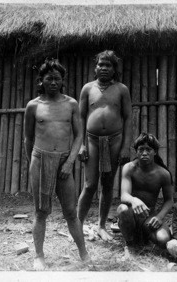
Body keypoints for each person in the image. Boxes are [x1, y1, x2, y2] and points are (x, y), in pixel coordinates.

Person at [24, 59, 90, 270]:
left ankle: (84, 254)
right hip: (40, 159)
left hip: (64, 161)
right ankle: (39, 256)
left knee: (71, 212)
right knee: (41, 211)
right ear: (41, 81)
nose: (53, 82)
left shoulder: (71, 104)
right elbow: (28, 139)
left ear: (62, 81)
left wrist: (69, 162)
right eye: (48, 78)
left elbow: (79, 135)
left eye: (57, 78)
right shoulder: (33, 106)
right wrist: (34, 164)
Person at [77, 50, 132, 241]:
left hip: (114, 141)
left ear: (114, 69)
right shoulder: (87, 89)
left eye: (108, 65)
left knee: (107, 184)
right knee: (90, 184)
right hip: (91, 141)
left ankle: (101, 226)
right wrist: (80, 145)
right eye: (101, 64)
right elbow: (81, 117)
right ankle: (77, 225)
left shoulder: (121, 89)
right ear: (95, 67)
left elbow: (128, 118)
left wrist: (125, 146)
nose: (104, 68)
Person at [117, 133, 173, 260]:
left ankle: (143, 235)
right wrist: (134, 200)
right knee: (122, 209)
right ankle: (130, 244)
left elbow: (169, 200)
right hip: (131, 213)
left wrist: (159, 217)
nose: (144, 153)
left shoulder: (163, 173)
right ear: (136, 152)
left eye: (148, 149)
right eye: (141, 149)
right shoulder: (129, 168)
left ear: (155, 152)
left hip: (149, 216)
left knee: (164, 240)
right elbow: (124, 195)